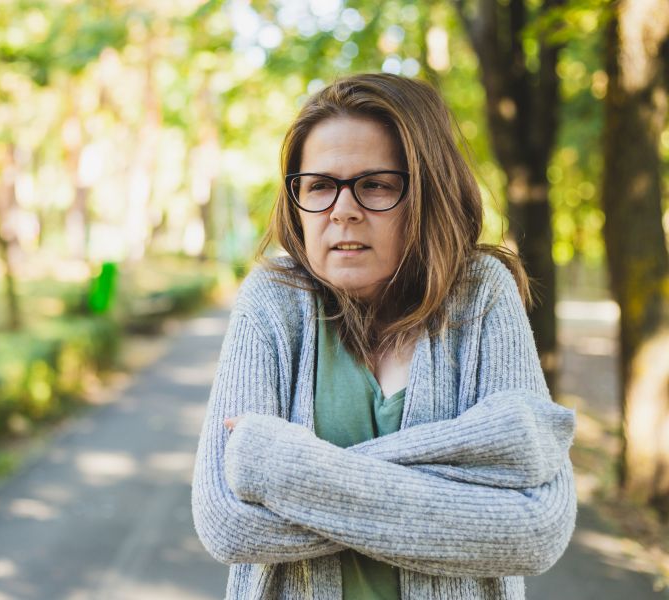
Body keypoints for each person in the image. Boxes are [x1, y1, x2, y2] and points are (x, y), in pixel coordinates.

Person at [191, 73, 576, 600]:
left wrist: (281, 466)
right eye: (320, 186)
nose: (342, 210)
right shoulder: (271, 300)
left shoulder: (481, 295)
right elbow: (228, 523)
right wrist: (455, 498)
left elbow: (536, 530)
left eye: (375, 185)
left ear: (427, 193)